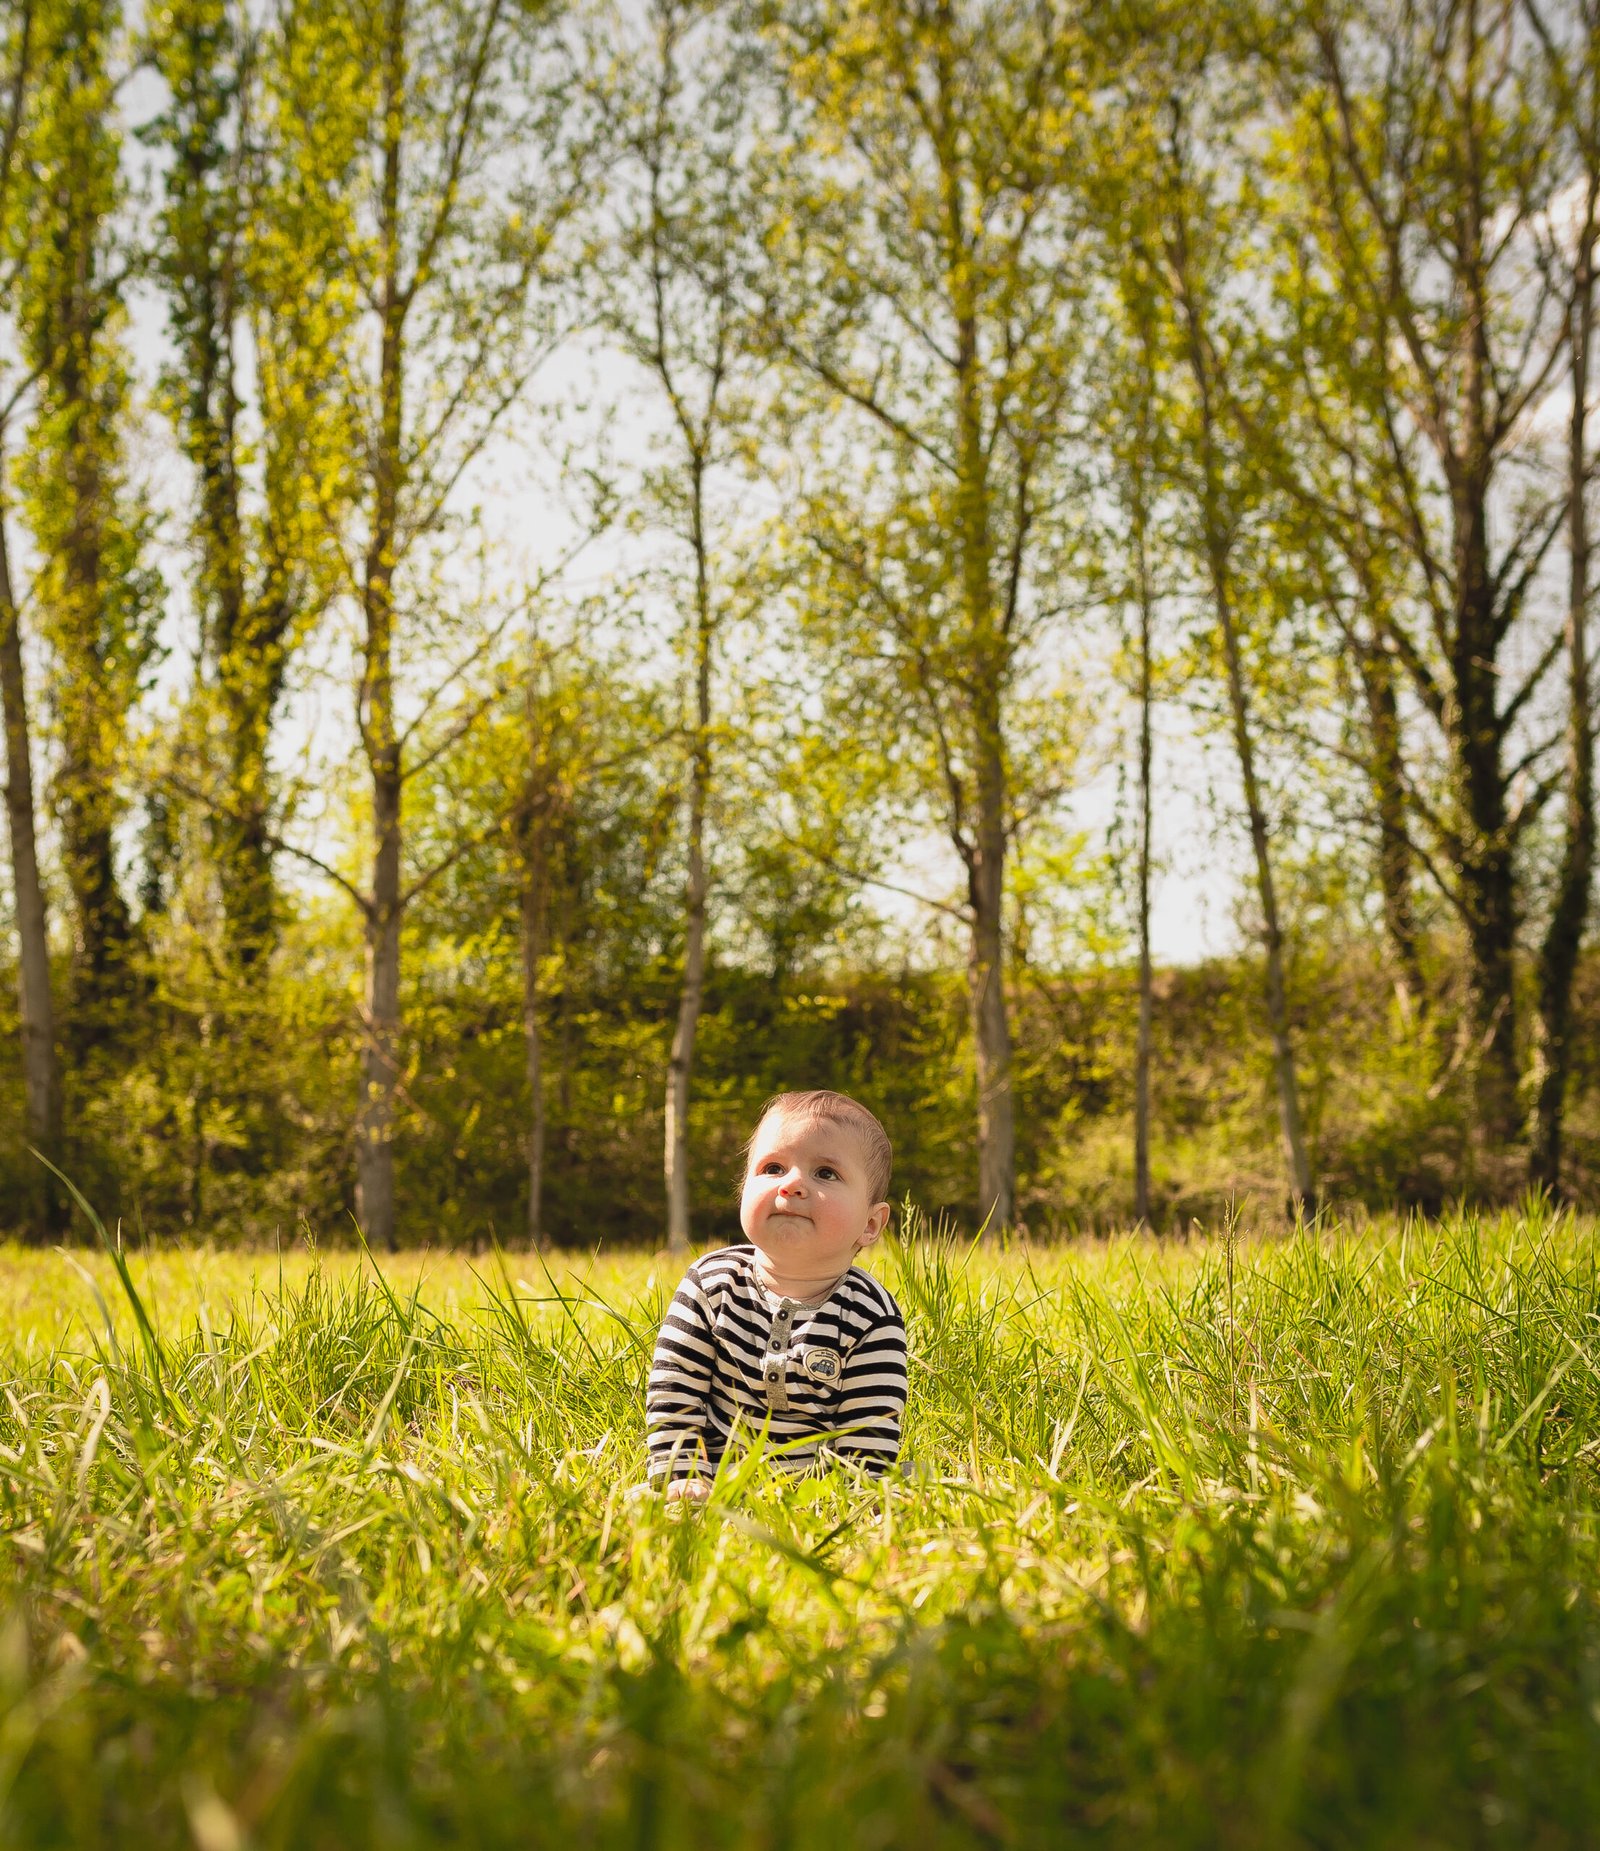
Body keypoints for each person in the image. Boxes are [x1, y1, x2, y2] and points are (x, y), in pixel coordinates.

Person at [645, 1089, 908, 1499]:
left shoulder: (870, 1317)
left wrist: (856, 1498)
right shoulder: (709, 1284)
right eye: (772, 1168)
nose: (792, 1184)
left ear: (871, 1224)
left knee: (902, 1483)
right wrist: (681, 1474)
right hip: (711, 1479)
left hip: (815, 1492)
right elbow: (675, 1388)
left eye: (825, 1173)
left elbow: (869, 1430)